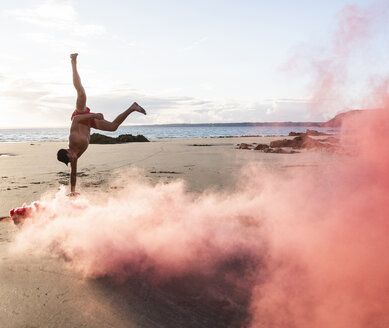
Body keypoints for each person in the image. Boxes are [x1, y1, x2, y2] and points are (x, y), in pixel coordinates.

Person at [57, 53, 146, 195]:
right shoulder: (74, 158)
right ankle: (133, 107)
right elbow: (72, 175)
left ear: (68, 151)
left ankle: (73, 61)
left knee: (81, 93)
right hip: (88, 124)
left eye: (70, 157)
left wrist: (94, 115)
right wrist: (72, 192)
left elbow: (75, 121)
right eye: (71, 160)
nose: (73, 159)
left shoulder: (73, 140)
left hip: (81, 117)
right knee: (113, 127)